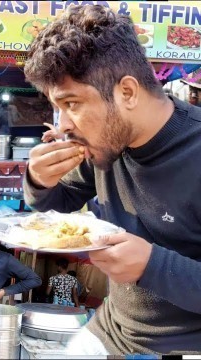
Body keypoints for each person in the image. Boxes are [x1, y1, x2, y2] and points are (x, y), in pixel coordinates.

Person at [23, 4, 200, 355]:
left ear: (128, 92)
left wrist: (153, 265)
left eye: (71, 103)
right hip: (112, 328)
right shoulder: (104, 144)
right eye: (57, 108)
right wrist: (39, 181)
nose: (62, 125)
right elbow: (60, 202)